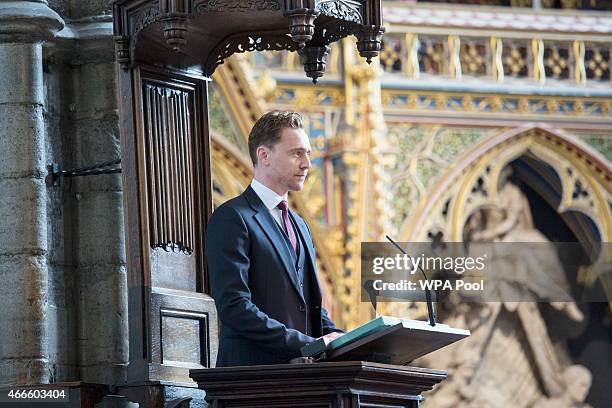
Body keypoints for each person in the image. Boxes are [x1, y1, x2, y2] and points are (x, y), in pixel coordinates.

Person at [205, 110, 344, 367]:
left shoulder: (300, 225)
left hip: (303, 379)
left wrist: (346, 341)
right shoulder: (233, 218)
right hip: (253, 378)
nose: (307, 164)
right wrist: (303, 345)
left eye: (308, 154)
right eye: (296, 153)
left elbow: (311, 310)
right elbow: (234, 306)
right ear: (264, 155)